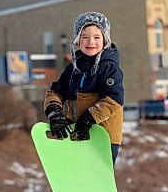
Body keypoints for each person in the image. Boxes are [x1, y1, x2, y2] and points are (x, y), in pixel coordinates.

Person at [44, 11, 124, 166]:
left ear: (105, 40)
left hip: (104, 135)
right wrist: (55, 112)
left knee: (96, 175)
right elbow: (55, 92)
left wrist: (87, 119)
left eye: (96, 37)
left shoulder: (109, 67)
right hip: (77, 133)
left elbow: (114, 100)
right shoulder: (74, 68)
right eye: (84, 37)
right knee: (79, 174)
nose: (90, 42)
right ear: (77, 40)